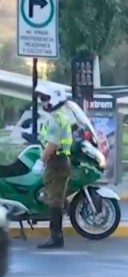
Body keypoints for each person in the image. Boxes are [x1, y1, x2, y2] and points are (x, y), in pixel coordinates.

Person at [31, 83, 75, 250]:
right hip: (59, 162)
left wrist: (41, 161)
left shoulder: (56, 118)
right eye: (42, 99)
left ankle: (55, 237)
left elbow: (53, 144)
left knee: (54, 200)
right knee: (54, 197)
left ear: (55, 98)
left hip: (56, 162)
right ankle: (56, 235)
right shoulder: (62, 115)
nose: (43, 102)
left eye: (45, 98)